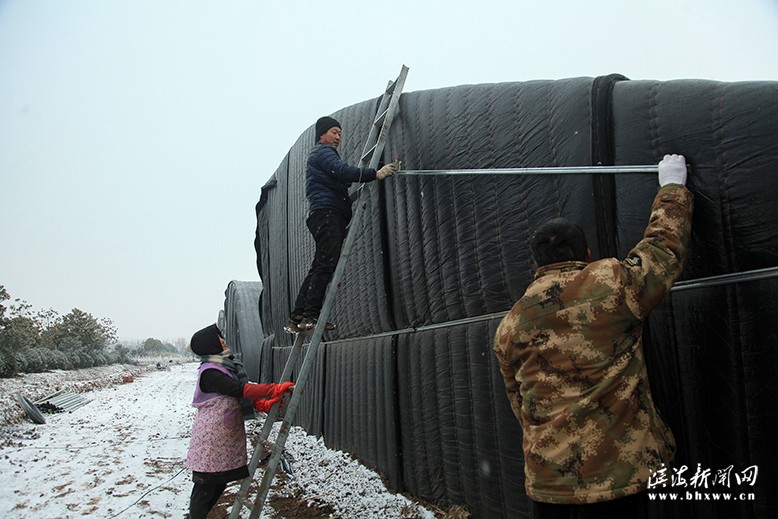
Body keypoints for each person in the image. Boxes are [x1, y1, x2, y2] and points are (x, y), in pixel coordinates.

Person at [493, 155, 693, 518]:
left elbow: (521, 406)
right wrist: (672, 187)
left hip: (549, 487)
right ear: (586, 254)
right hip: (616, 479)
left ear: (537, 265)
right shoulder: (612, 284)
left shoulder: (510, 325)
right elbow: (662, 251)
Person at [284, 116, 398, 333]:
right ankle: (310, 316)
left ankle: (298, 316)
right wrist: (375, 173)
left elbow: (342, 179)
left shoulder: (319, 156)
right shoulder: (323, 152)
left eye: (340, 134)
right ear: (322, 135)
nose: (338, 137)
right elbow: (343, 172)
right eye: (334, 132)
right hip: (328, 214)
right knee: (326, 265)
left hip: (322, 214)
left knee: (320, 265)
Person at [185, 324, 294, 518]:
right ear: (210, 345)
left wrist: (261, 404)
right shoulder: (209, 372)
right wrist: (272, 389)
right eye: (219, 339)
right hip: (212, 439)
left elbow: (238, 395)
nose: (224, 341)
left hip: (224, 436)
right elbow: (239, 390)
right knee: (205, 489)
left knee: (218, 483)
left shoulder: (224, 366)